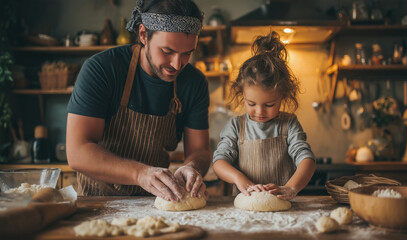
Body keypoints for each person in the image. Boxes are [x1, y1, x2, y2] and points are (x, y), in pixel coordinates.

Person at [66, 0, 211, 201]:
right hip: (98, 202)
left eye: (187, 54)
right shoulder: (101, 69)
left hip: (157, 201)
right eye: (167, 51)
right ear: (143, 35)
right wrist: (140, 174)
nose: (177, 65)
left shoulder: (194, 83)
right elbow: (77, 152)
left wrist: (191, 167)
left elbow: (200, 150)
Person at [213, 31, 316, 200]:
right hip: (246, 208)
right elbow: (219, 163)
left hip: (284, 207)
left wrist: (291, 187)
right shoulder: (236, 126)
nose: (260, 112)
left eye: (269, 104)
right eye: (251, 104)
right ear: (242, 96)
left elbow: (307, 160)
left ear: (283, 96)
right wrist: (241, 180)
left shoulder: (288, 124)